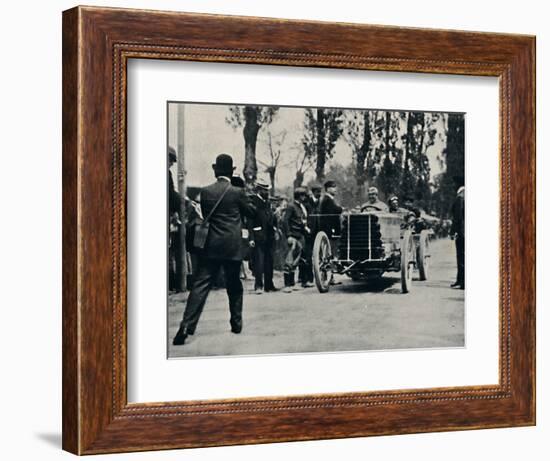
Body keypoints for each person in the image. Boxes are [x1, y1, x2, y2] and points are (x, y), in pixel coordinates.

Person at [172, 154, 255, 346]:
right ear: (231, 171)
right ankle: (236, 323)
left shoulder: (206, 192)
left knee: (201, 286)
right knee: (234, 285)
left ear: (216, 170)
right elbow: (250, 212)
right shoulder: (237, 192)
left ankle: (185, 327)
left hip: (211, 246)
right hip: (232, 247)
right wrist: (241, 190)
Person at [248, 180, 278, 293]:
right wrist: (251, 238)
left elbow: (271, 217)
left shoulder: (268, 202)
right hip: (258, 236)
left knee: (269, 261)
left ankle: (269, 285)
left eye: (267, 190)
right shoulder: (253, 202)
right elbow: (250, 221)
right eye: (265, 190)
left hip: (269, 236)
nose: (267, 192)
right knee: (259, 262)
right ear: (259, 190)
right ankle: (258, 286)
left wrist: (274, 227)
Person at [281, 187, 309, 293]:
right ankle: (287, 285)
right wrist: (288, 235)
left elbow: (300, 221)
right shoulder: (291, 207)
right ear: (299, 196)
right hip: (293, 236)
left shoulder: (300, 206)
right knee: (289, 261)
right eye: (303, 195)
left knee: (296, 261)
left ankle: (292, 284)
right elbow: (285, 221)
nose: (304, 197)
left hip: (300, 236)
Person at [319, 180, 343, 285]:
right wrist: (341, 209)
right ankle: (328, 278)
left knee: (330, 255)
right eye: (333, 187)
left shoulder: (329, 199)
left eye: (335, 187)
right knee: (330, 254)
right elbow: (334, 211)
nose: (335, 189)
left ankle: (331, 278)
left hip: (330, 230)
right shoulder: (327, 200)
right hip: (329, 230)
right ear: (327, 188)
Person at [451, 186, 465, 289]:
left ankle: (463, 282)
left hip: (462, 231)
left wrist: (453, 231)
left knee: (461, 256)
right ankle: (459, 280)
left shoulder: (460, 198)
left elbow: (457, 217)